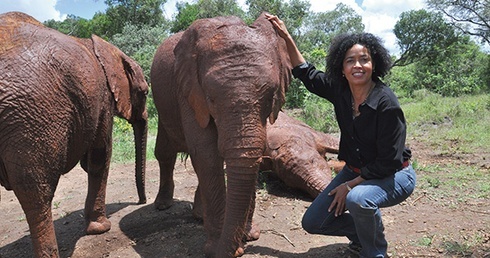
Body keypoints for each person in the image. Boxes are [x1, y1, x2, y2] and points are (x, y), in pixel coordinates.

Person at [266, 14, 416, 258]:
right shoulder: (340, 90)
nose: (358, 65)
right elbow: (306, 73)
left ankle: (375, 252)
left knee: (358, 199)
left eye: (364, 60)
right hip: (355, 171)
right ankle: (363, 234)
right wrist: (286, 35)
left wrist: (350, 185)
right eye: (350, 61)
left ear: (374, 64)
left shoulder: (386, 103)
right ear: (342, 68)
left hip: (395, 174)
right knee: (314, 222)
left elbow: (389, 161)